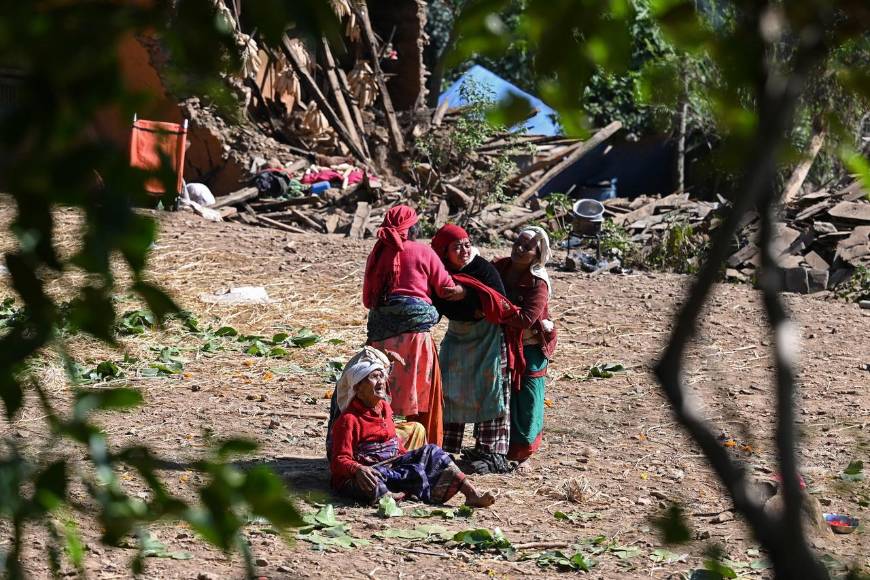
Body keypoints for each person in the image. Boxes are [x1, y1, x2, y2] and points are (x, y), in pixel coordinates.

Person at [330, 346, 496, 507]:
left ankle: (471, 494)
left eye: (381, 376)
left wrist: (408, 459)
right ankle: (389, 496)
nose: (380, 381)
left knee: (432, 451)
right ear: (358, 388)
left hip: (391, 465)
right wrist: (358, 469)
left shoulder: (384, 407)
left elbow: (393, 441)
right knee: (372, 478)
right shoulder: (348, 420)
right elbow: (338, 460)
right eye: (374, 377)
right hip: (370, 471)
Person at [362, 205, 464, 447]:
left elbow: (368, 301)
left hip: (380, 338)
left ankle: (379, 444)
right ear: (415, 228)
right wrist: (465, 290)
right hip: (415, 338)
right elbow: (446, 289)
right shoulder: (423, 251)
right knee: (422, 395)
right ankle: (423, 448)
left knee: (379, 394)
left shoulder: (377, 254)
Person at [430, 224, 515, 474]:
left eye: (467, 244)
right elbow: (439, 303)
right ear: (444, 252)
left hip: (488, 337)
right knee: (447, 387)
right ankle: (444, 446)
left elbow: (498, 302)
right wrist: (469, 303)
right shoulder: (439, 271)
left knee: (490, 389)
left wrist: (466, 294)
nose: (464, 250)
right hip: (458, 335)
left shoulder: (483, 269)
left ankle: (490, 451)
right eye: (457, 246)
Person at [494, 226, 558, 472]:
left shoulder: (538, 283)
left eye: (527, 247)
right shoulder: (501, 268)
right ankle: (503, 446)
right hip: (505, 342)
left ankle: (525, 450)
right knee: (505, 395)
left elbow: (527, 319)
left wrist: (494, 311)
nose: (519, 249)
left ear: (537, 255)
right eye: (517, 243)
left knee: (528, 397)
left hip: (531, 345)